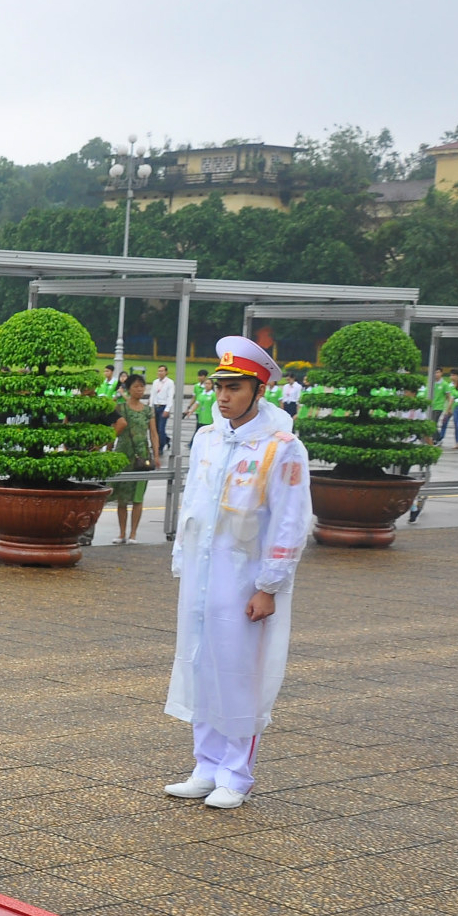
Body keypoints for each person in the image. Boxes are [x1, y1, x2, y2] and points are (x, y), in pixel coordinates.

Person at [163, 338, 311, 810]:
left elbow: (291, 519)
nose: (222, 396)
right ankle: (206, 764)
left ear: (258, 389)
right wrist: (183, 561)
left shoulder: (282, 448)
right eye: (217, 386)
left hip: (244, 578)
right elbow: (193, 505)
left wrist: (270, 585)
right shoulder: (208, 437)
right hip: (204, 576)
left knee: (240, 672)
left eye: (233, 387)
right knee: (201, 664)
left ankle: (236, 772)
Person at [111, 373, 160, 545]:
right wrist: (109, 451)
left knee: (138, 497)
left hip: (142, 456)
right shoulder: (121, 408)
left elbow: (153, 433)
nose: (139, 390)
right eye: (136, 386)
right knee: (123, 497)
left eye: (142, 386)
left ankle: (133, 534)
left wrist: (156, 454)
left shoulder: (148, 410)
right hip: (123, 454)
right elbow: (113, 430)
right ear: (128, 389)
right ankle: (121, 533)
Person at [149, 364, 175, 450]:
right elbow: (152, 395)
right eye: (159, 371)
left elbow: (170, 397)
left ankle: (160, 447)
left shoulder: (169, 383)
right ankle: (164, 439)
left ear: (166, 372)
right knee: (154, 428)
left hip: (163, 407)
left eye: (162, 371)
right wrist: (150, 406)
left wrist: (167, 409)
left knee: (161, 428)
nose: (160, 373)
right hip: (156, 406)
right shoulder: (155, 382)